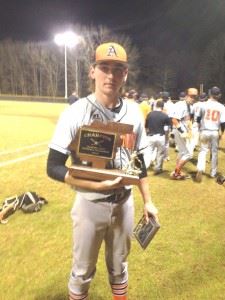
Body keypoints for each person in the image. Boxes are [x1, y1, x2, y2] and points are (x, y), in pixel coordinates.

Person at [47, 42, 158, 300]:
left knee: (120, 268)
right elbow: (52, 166)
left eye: (117, 69)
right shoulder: (75, 113)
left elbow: (138, 160)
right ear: (92, 71)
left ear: (125, 74)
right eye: (104, 68)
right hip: (90, 203)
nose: (110, 75)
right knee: (82, 271)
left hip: (125, 203)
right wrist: (95, 186)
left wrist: (148, 201)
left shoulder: (133, 111)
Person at [195, 87, 225, 182]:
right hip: (215, 131)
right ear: (218, 95)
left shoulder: (203, 105)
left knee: (203, 150)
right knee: (214, 152)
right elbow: (223, 122)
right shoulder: (221, 106)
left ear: (210, 94)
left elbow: (198, 118)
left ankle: (200, 168)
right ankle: (213, 173)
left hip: (204, 130)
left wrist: (200, 126)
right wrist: (222, 133)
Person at [170, 88, 198, 179]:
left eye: (195, 96)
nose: (193, 98)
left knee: (182, 152)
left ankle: (177, 172)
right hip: (179, 131)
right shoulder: (181, 105)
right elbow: (174, 119)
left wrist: (188, 130)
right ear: (186, 95)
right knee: (188, 154)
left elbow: (187, 120)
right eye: (191, 96)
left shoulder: (189, 105)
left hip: (183, 131)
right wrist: (182, 132)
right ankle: (176, 173)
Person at [145, 100, 171, 174]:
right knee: (160, 154)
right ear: (163, 107)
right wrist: (167, 139)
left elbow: (146, 127)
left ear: (156, 106)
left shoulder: (149, 114)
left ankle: (145, 167)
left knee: (148, 153)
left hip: (150, 136)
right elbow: (167, 129)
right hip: (161, 137)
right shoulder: (165, 116)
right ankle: (158, 168)